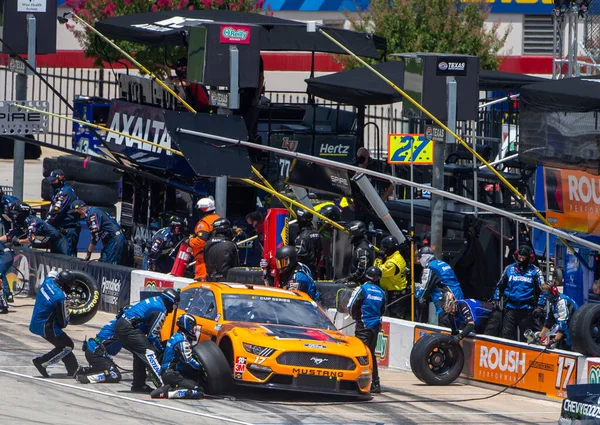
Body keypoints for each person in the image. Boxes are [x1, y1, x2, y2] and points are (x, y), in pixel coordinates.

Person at [114, 288, 180, 392]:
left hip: (123, 325)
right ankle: (163, 384)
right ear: (170, 301)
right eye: (175, 304)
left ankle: (138, 385)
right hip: (128, 328)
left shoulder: (157, 301)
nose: (175, 307)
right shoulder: (160, 310)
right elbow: (152, 336)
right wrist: (160, 348)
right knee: (149, 351)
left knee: (140, 354)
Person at [29, 271, 79, 377]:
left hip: (36, 321)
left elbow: (52, 273)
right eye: (69, 284)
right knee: (68, 346)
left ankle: (73, 370)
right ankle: (42, 362)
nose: (70, 286)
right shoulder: (60, 297)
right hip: (46, 326)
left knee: (63, 344)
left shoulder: (48, 281)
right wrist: (68, 306)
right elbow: (63, 322)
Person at [493, 246, 545, 341]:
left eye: (523, 258)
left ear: (529, 258)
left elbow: (543, 290)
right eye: (519, 257)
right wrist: (496, 299)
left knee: (526, 338)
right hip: (510, 308)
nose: (521, 260)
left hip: (527, 309)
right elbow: (500, 285)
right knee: (506, 336)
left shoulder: (535, 271)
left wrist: (540, 306)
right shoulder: (509, 269)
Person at [347, 266, 386, 394]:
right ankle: (375, 383)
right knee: (371, 354)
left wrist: (356, 317)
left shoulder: (362, 289)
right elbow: (383, 311)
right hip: (375, 327)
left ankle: (357, 382)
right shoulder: (381, 292)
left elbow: (351, 305)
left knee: (361, 354)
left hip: (363, 326)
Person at [77, 306, 134, 384]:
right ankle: (87, 378)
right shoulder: (123, 326)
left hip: (93, 349)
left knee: (105, 368)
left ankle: (84, 371)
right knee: (115, 375)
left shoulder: (117, 322)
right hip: (96, 352)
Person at [151, 314, 203, 400]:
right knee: (198, 391)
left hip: (170, 373)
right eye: (194, 326)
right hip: (172, 374)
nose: (195, 329)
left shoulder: (177, 336)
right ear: (188, 325)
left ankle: (173, 387)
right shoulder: (182, 340)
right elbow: (188, 360)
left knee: (194, 382)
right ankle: (168, 392)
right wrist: (201, 367)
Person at [415, 246, 464, 326]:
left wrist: (417, 295)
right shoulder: (442, 263)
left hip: (448, 298)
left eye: (420, 257)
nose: (419, 260)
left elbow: (424, 287)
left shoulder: (430, 267)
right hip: (457, 294)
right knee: (458, 323)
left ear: (424, 257)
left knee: (446, 325)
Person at [69, 200, 126, 264]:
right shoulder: (90, 215)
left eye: (75, 212)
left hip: (115, 239)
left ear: (80, 209)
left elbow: (95, 237)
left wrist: (89, 252)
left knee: (110, 264)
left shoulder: (92, 214)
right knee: (103, 261)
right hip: (109, 240)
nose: (74, 215)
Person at [45, 169, 80, 256]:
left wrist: (45, 225)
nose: (51, 183)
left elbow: (56, 211)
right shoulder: (57, 191)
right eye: (50, 181)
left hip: (68, 230)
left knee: (69, 257)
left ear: (61, 179)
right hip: (58, 229)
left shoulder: (66, 192)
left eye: (53, 180)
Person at [537, 279, 578, 350]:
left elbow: (563, 324)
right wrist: (539, 337)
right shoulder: (553, 302)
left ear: (553, 291)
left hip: (575, 334)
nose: (545, 297)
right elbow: (549, 322)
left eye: (546, 294)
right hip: (565, 333)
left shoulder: (562, 301)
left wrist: (555, 341)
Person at [374, 236, 409, 319]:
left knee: (394, 319)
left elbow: (376, 271)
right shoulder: (396, 257)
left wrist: (379, 258)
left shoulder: (392, 263)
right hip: (395, 292)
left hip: (395, 295)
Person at [189, 198, 220, 281]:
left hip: (204, 261)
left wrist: (189, 242)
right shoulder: (218, 219)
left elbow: (201, 241)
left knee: (201, 285)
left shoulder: (204, 223)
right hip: (219, 258)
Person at [315, 203, 342, 280]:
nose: (321, 220)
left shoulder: (337, 233)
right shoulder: (321, 230)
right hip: (321, 261)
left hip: (332, 262)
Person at [294, 209, 323, 278]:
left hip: (304, 271)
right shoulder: (317, 234)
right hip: (315, 269)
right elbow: (320, 251)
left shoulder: (301, 237)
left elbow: (299, 256)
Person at [0, 241, 14, 307]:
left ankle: (3, 303)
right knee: (1, 274)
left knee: (0, 275)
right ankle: (8, 294)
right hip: (8, 255)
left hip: (5, 256)